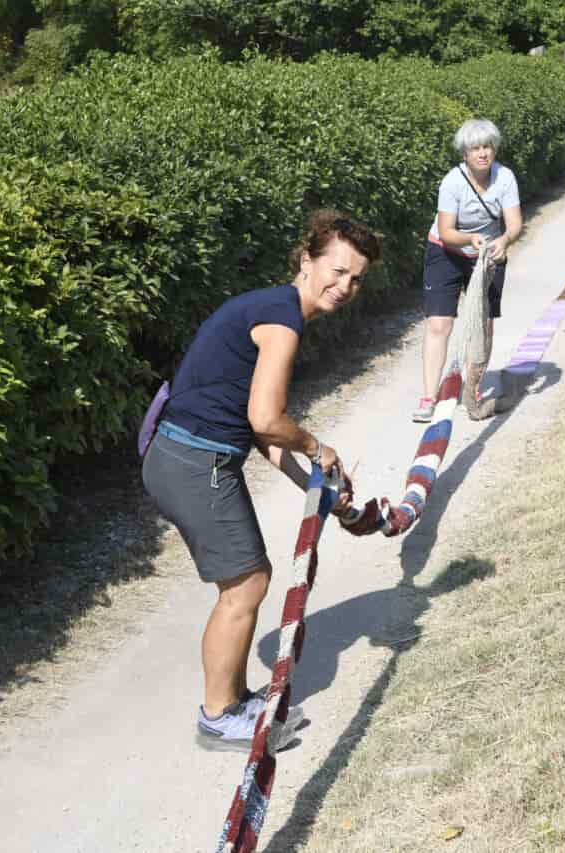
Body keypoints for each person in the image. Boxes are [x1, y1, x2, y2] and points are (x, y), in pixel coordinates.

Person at [142, 210, 381, 751]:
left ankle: (233, 699)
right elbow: (268, 421)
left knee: (248, 577)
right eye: (336, 270)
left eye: (356, 278)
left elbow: (262, 435)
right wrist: (319, 447)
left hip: (187, 456)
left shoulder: (274, 307)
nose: (344, 287)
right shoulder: (283, 320)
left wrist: (316, 487)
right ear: (306, 260)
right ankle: (218, 716)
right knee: (246, 584)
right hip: (191, 461)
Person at [414, 118, 522, 422]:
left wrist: (503, 240)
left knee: (482, 324)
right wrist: (469, 238)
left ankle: (473, 387)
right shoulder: (452, 182)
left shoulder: (505, 178)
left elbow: (514, 223)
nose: (483, 153)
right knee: (439, 324)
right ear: (465, 153)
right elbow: (447, 231)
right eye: (476, 148)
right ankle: (427, 396)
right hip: (446, 250)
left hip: (486, 255)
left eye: (487, 146)